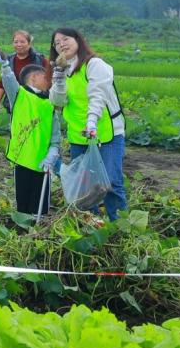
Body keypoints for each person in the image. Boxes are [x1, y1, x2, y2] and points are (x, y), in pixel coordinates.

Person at [50, 28, 128, 221]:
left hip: (105, 131)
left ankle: (120, 226)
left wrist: (91, 122)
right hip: (78, 134)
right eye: (57, 42)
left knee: (111, 181)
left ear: (78, 40)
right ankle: (92, 224)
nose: (62, 44)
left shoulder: (94, 65)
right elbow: (58, 102)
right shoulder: (62, 70)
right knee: (86, 185)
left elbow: (97, 96)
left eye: (66, 39)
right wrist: (58, 79)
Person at [0, 44, 61, 215]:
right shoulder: (20, 96)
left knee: (40, 201)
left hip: (43, 161)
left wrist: (53, 153)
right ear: (34, 78)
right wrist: (5, 64)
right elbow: (9, 82)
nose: (49, 82)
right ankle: (22, 226)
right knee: (23, 198)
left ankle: (37, 230)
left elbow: (55, 135)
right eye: (46, 77)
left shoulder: (50, 104)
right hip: (22, 157)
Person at [0, 30, 49, 117]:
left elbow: (51, 80)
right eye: (16, 42)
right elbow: (2, 85)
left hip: (37, 105)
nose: (19, 45)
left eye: (22, 42)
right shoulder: (8, 61)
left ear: (29, 44)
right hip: (15, 105)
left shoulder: (40, 60)